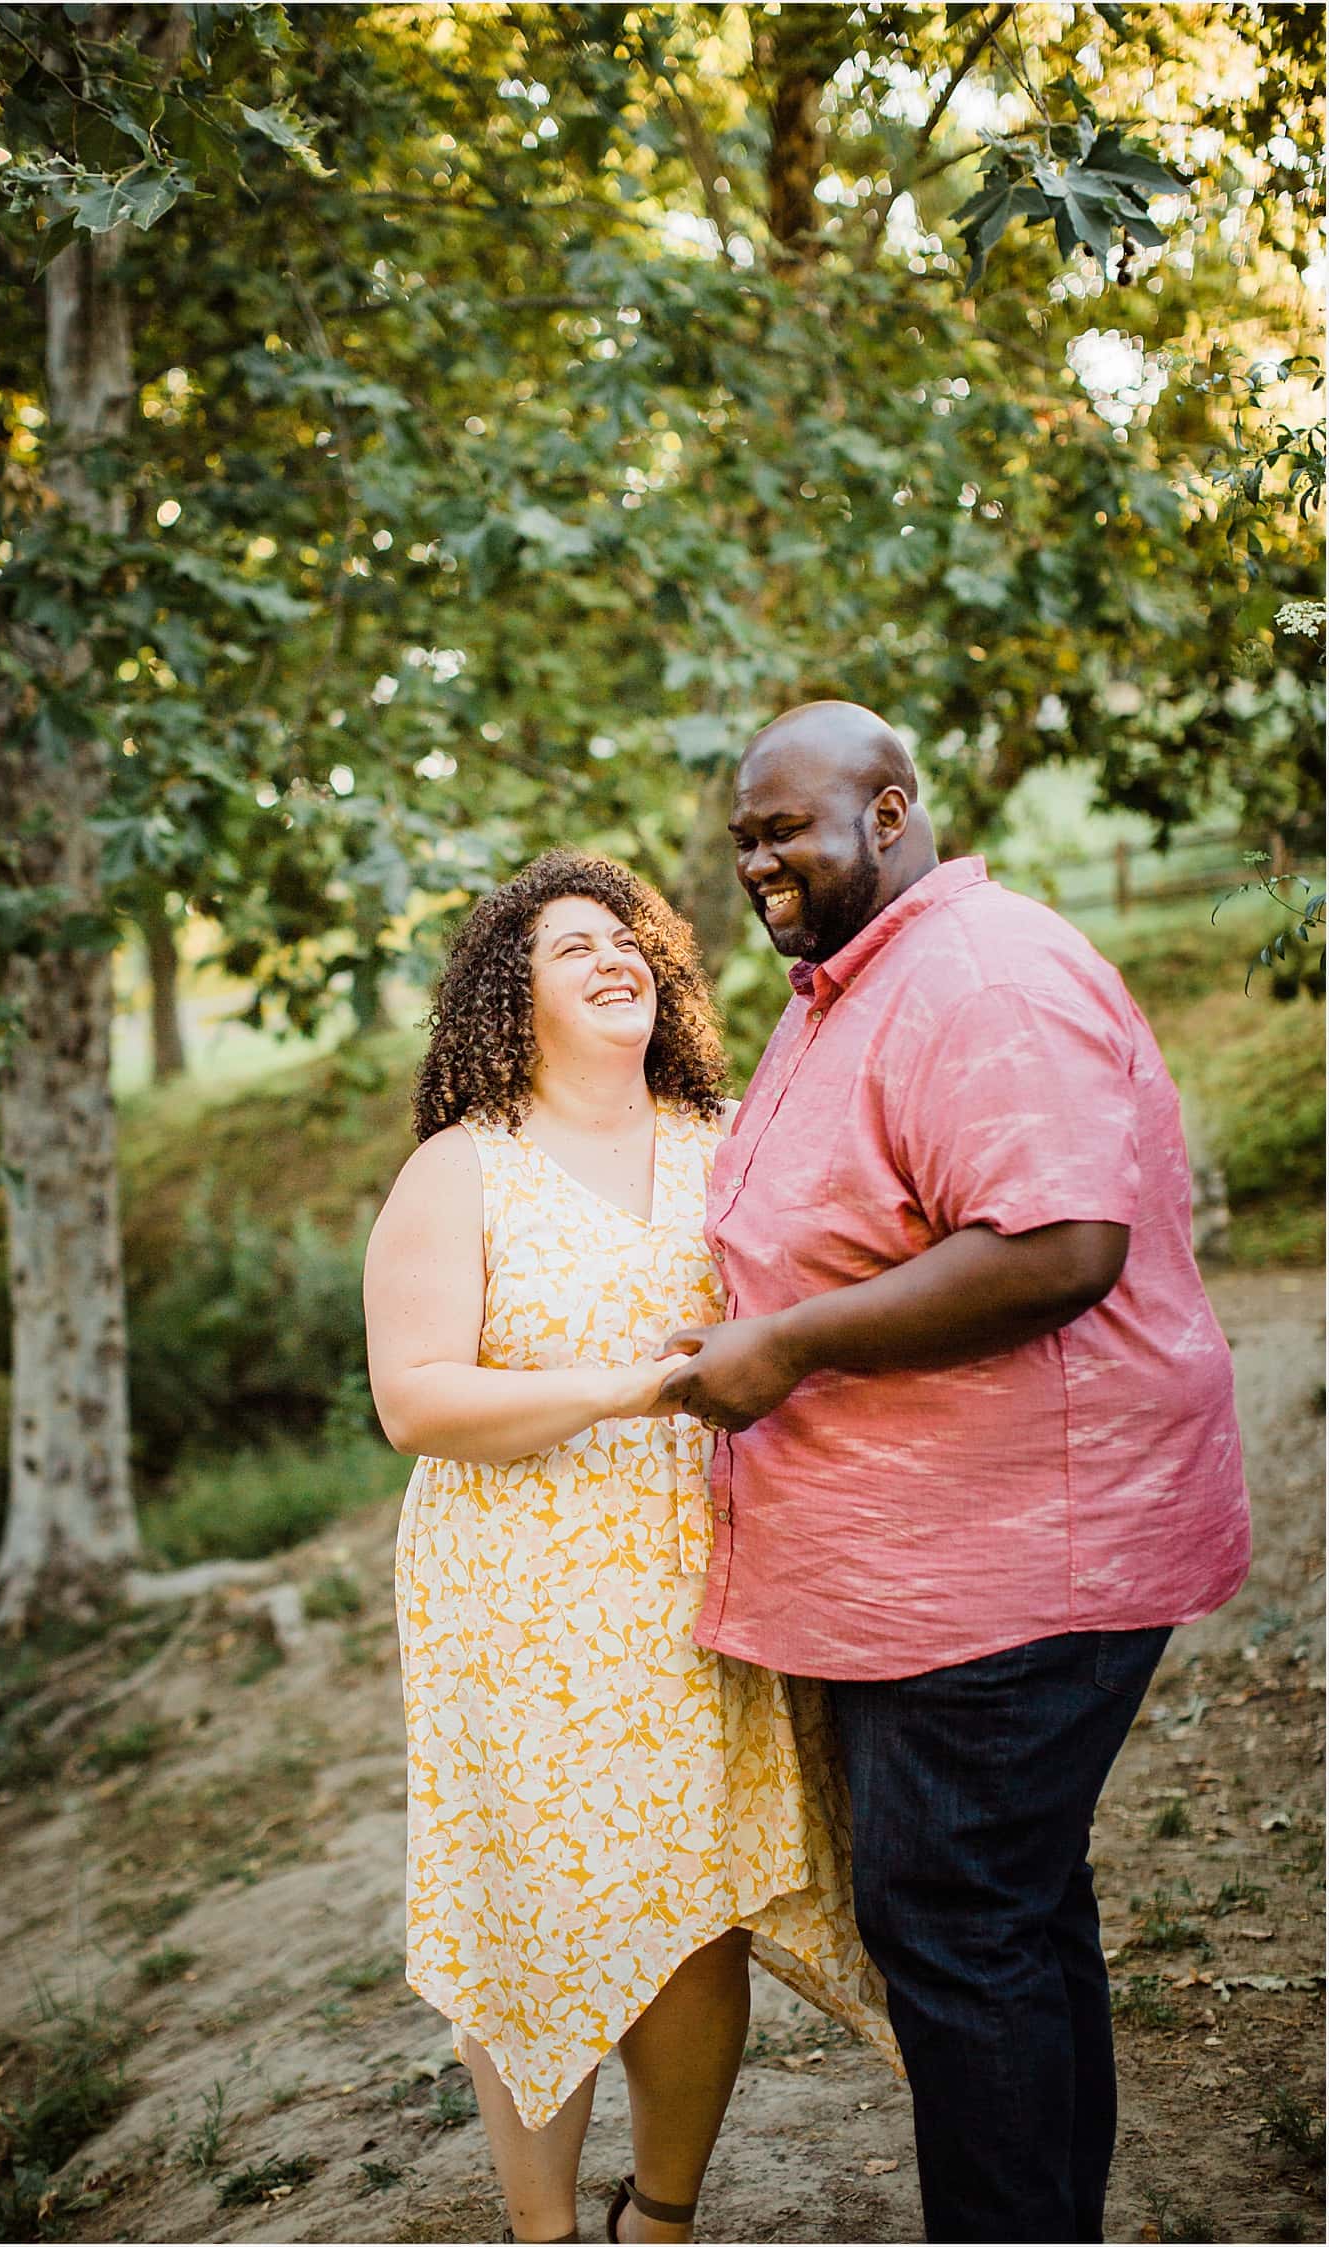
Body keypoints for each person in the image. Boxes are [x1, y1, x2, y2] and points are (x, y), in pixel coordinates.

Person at [659, 702, 1251, 2244]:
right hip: (934, 1559)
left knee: (958, 1920)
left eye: (784, 827)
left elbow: (1059, 1246)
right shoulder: (845, 987)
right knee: (1007, 1912)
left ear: (892, 810)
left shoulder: (980, 976)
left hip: (1016, 1561)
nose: (757, 860)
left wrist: (783, 1351)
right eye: (743, 838)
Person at [363, 849, 892, 2247]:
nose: (615, 958)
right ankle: (543, 2233)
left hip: (703, 1582)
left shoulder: (726, 1146)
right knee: (537, 1913)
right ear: (503, 997)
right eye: (570, 947)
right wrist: (631, 1385)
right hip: (515, 1599)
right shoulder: (459, 1171)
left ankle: (660, 2220)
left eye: (630, 937)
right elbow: (414, 1401)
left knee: (700, 1908)